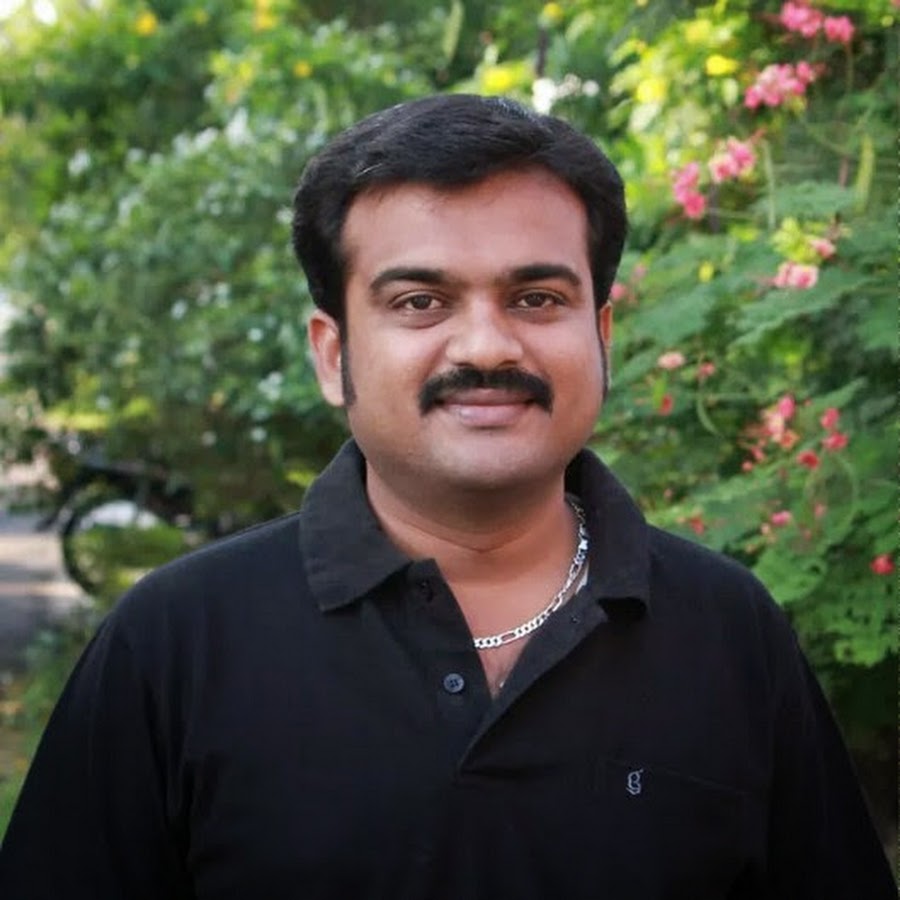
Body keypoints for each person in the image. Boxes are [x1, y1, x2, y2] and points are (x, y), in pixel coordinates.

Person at [0, 94, 893, 899]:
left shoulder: (730, 631)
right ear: (333, 355)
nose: (487, 346)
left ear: (602, 336)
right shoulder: (176, 644)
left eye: (536, 297)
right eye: (421, 302)